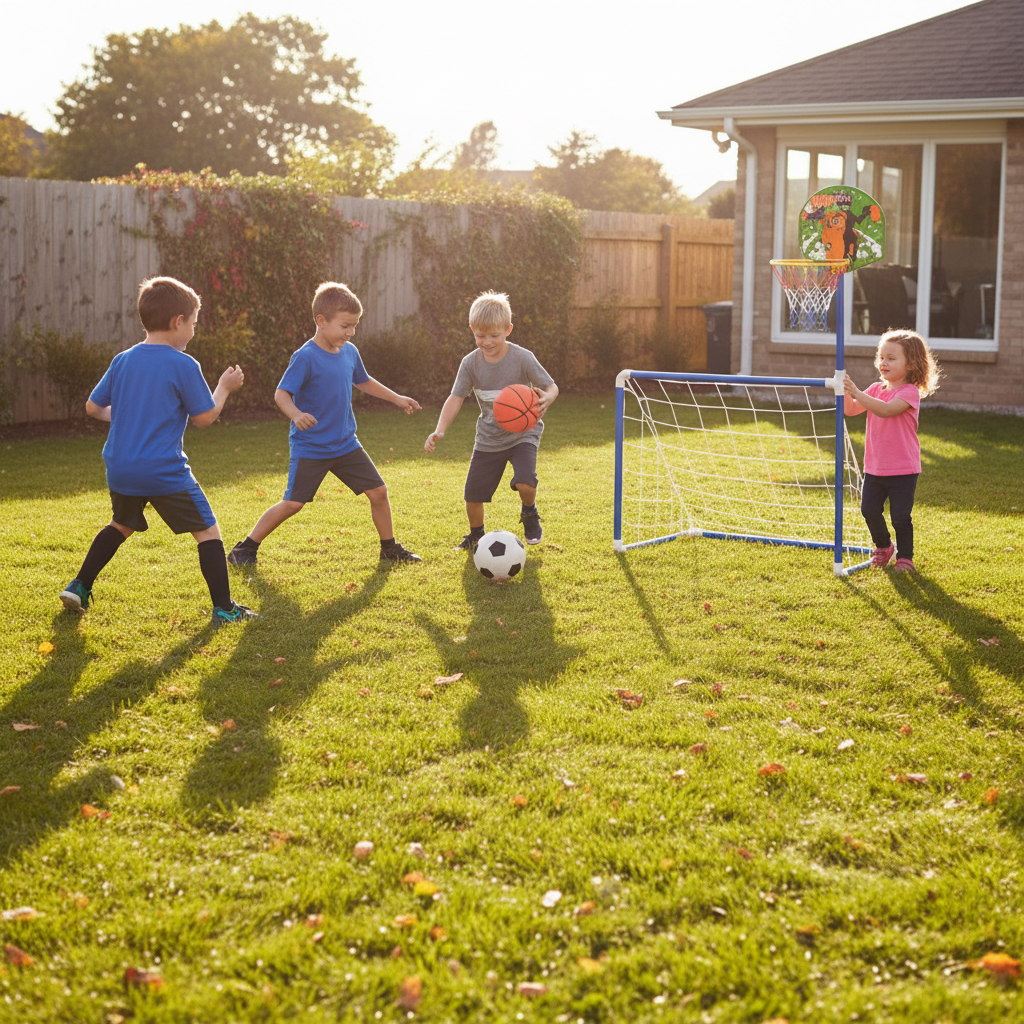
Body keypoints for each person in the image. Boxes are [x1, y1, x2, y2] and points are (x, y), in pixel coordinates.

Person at [60, 276, 258, 626]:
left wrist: (123, 415)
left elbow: (93, 407)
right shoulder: (184, 364)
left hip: (121, 468)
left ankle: (79, 585)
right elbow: (204, 418)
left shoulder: (123, 360)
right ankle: (225, 609)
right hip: (164, 471)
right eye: (194, 324)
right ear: (177, 322)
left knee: (120, 524)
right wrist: (224, 388)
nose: (194, 332)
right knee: (209, 533)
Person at [227, 282, 422, 567]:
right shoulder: (305, 357)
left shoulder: (349, 352)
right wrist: (295, 414)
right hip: (312, 446)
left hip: (345, 443)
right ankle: (245, 549)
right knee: (293, 503)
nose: (350, 332)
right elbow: (282, 394)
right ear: (321, 321)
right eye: (345, 326)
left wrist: (396, 399)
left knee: (379, 492)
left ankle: (389, 548)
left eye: (354, 326)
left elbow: (363, 380)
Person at [424, 290, 558, 550]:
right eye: (480, 335)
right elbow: (456, 397)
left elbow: (552, 386)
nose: (487, 341)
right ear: (472, 329)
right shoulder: (470, 364)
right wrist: (439, 429)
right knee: (473, 496)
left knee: (525, 482)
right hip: (489, 437)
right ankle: (476, 535)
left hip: (523, 433)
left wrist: (548, 398)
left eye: (494, 335)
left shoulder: (522, 358)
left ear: (508, 330)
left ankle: (529, 513)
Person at [844, 328, 941, 573]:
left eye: (891, 358)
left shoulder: (909, 392)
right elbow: (852, 410)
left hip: (903, 468)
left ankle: (905, 558)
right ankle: (884, 546)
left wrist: (856, 392)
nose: (883, 363)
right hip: (875, 466)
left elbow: (886, 410)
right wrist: (844, 389)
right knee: (868, 510)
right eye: (881, 357)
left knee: (900, 517)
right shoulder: (876, 388)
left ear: (911, 365)